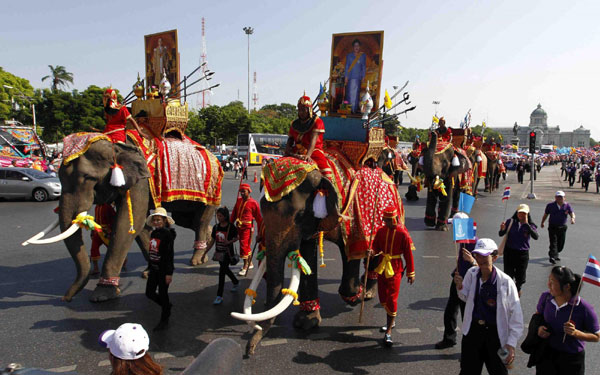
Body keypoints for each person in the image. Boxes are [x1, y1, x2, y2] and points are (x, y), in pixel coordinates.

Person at [454, 238, 524, 375]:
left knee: (499, 371)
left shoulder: (506, 282)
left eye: (485, 255)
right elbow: (464, 296)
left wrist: (511, 343)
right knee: (468, 371)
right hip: (473, 333)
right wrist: (459, 287)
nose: (480, 259)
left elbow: (516, 315)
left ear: (495, 257)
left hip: (496, 335)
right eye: (478, 255)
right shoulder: (471, 274)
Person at [534, 266, 600, 375]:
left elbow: (597, 337)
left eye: (552, 282)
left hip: (571, 359)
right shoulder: (546, 297)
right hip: (547, 353)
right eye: (549, 280)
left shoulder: (584, 307)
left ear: (567, 287)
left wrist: (576, 333)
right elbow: (537, 316)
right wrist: (539, 328)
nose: (548, 285)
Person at [369, 206, 415, 347]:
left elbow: (408, 254)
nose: (388, 223)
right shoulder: (381, 231)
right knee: (383, 297)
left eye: (390, 220)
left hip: (395, 268)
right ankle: (391, 320)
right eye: (386, 220)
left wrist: (410, 272)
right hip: (383, 266)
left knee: (391, 298)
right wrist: (372, 251)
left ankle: (388, 331)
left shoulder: (403, 234)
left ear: (395, 218)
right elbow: (376, 246)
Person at [435, 221, 477, 350]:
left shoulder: (476, 243)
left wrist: (472, 261)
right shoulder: (462, 240)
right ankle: (449, 338)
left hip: (469, 282)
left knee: (467, 314)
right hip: (457, 277)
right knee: (450, 310)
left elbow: (484, 264)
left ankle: (469, 346)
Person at [145, 207, 176, 331]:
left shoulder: (167, 235)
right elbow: (152, 252)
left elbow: (169, 255)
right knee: (149, 293)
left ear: (164, 221)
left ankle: (164, 319)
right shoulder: (153, 233)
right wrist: (148, 267)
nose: (156, 222)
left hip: (163, 270)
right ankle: (167, 306)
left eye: (158, 220)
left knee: (163, 294)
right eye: (155, 220)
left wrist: (169, 273)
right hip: (154, 268)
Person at [203, 207, 240, 305]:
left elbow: (237, 237)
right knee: (225, 269)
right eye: (217, 216)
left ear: (225, 216)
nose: (218, 218)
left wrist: (229, 241)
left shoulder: (231, 227)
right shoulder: (216, 227)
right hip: (219, 253)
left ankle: (219, 296)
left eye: (220, 216)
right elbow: (212, 241)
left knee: (222, 273)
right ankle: (235, 281)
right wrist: (205, 252)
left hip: (227, 253)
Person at [498, 204, 538, 293]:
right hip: (509, 252)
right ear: (517, 213)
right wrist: (502, 229)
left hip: (522, 254)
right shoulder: (510, 222)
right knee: (508, 274)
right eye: (520, 213)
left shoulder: (531, 225)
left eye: (524, 213)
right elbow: (501, 234)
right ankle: (510, 291)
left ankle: (518, 288)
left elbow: (536, 236)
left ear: (527, 214)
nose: (521, 215)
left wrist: (527, 225)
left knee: (520, 276)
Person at [285, 95, 329, 173]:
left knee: (325, 170)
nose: (301, 112)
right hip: (297, 151)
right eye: (299, 110)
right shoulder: (294, 124)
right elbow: (290, 140)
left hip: (313, 151)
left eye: (303, 110)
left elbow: (313, 140)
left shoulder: (317, 121)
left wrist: (308, 155)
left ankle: (329, 184)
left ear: (309, 110)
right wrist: (288, 151)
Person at [231, 183, 262, 276]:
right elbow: (234, 214)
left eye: (244, 192)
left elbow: (259, 219)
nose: (242, 194)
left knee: (244, 246)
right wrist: (229, 224)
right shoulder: (239, 201)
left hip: (247, 229)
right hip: (239, 227)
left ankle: (245, 266)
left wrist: (260, 232)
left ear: (249, 191)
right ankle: (250, 263)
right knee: (246, 246)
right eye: (241, 192)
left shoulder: (253, 203)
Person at [540, 191, 575, 264]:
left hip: (562, 227)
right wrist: (542, 222)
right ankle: (552, 256)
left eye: (561, 197)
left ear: (564, 198)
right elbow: (546, 214)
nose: (559, 198)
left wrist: (572, 218)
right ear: (555, 198)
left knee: (560, 244)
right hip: (552, 226)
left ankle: (555, 254)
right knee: (553, 242)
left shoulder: (567, 206)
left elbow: (572, 213)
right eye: (558, 197)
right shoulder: (550, 205)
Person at [89, 203, 117, 275]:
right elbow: (95, 220)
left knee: (112, 249)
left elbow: (113, 219)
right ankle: (96, 268)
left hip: (106, 232)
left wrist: (111, 231)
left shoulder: (107, 207)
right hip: (98, 231)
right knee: (93, 248)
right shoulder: (96, 207)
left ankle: (118, 263)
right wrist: (92, 230)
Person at [344, 39, 366, 113]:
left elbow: (363, 67)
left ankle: (354, 110)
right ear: (353, 47)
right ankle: (349, 110)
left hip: (358, 78)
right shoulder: (349, 56)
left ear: (359, 47)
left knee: (356, 94)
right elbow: (347, 66)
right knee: (350, 94)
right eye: (355, 46)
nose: (356, 47)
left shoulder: (362, 56)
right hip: (350, 78)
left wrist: (363, 76)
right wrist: (346, 76)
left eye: (358, 46)